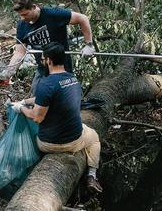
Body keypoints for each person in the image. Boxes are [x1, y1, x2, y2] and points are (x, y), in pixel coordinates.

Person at [10, 42, 103, 193]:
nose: (42, 62)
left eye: (43, 59)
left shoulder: (46, 84)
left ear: (49, 61)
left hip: (48, 144)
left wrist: (20, 108)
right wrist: (25, 101)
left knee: (34, 126)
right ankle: (92, 175)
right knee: (94, 138)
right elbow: (47, 97)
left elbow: (36, 117)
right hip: (74, 140)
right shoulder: (73, 80)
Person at [0, 0, 95, 93]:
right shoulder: (22, 25)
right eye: (20, 15)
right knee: (36, 98)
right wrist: (8, 72)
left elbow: (83, 18)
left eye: (25, 14)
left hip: (62, 68)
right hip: (43, 68)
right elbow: (19, 53)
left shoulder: (53, 14)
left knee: (62, 100)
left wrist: (89, 44)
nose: (23, 18)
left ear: (34, 7)